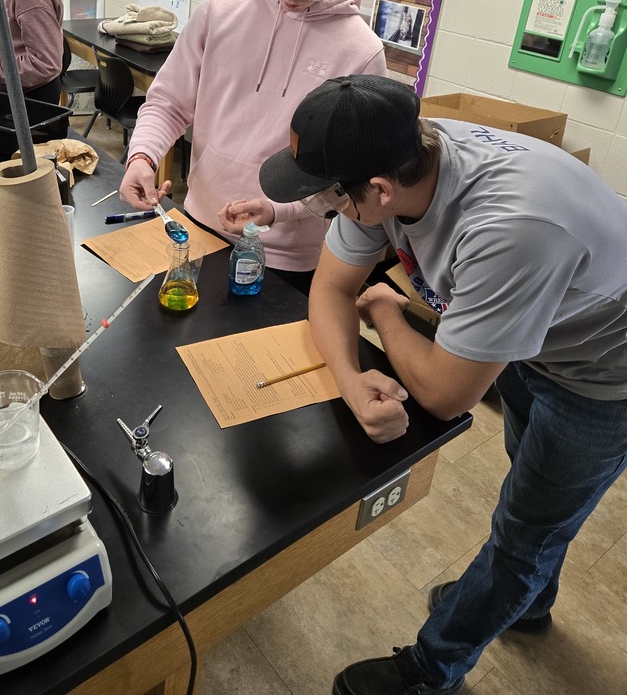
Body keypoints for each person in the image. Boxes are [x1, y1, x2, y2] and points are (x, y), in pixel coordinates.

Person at [258, 75, 627, 695]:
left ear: (375, 190)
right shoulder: (401, 158)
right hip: (537, 343)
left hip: (605, 374)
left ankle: (433, 671)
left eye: (328, 197)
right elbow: (329, 288)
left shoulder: (510, 226)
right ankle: (526, 602)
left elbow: (444, 395)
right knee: (528, 480)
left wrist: (384, 312)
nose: (326, 209)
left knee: (526, 530)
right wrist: (351, 382)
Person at [119, 0, 387, 294]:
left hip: (285, 255)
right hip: (197, 224)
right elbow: (169, 101)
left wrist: (282, 211)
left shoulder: (361, 51)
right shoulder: (217, 13)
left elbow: (348, 177)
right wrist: (142, 157)